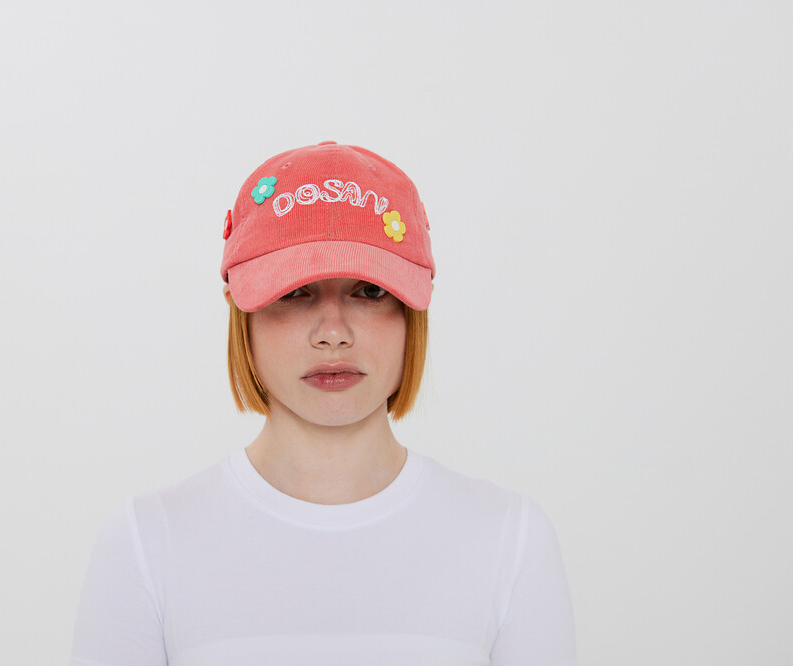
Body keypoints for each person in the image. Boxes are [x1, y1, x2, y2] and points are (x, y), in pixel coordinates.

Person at [69, 142, 577, 665]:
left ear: (414, 311)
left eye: (370, 292)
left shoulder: (509, 542)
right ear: (239, 311)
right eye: (295, 292)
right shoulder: (146, 545)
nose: (333, 333)